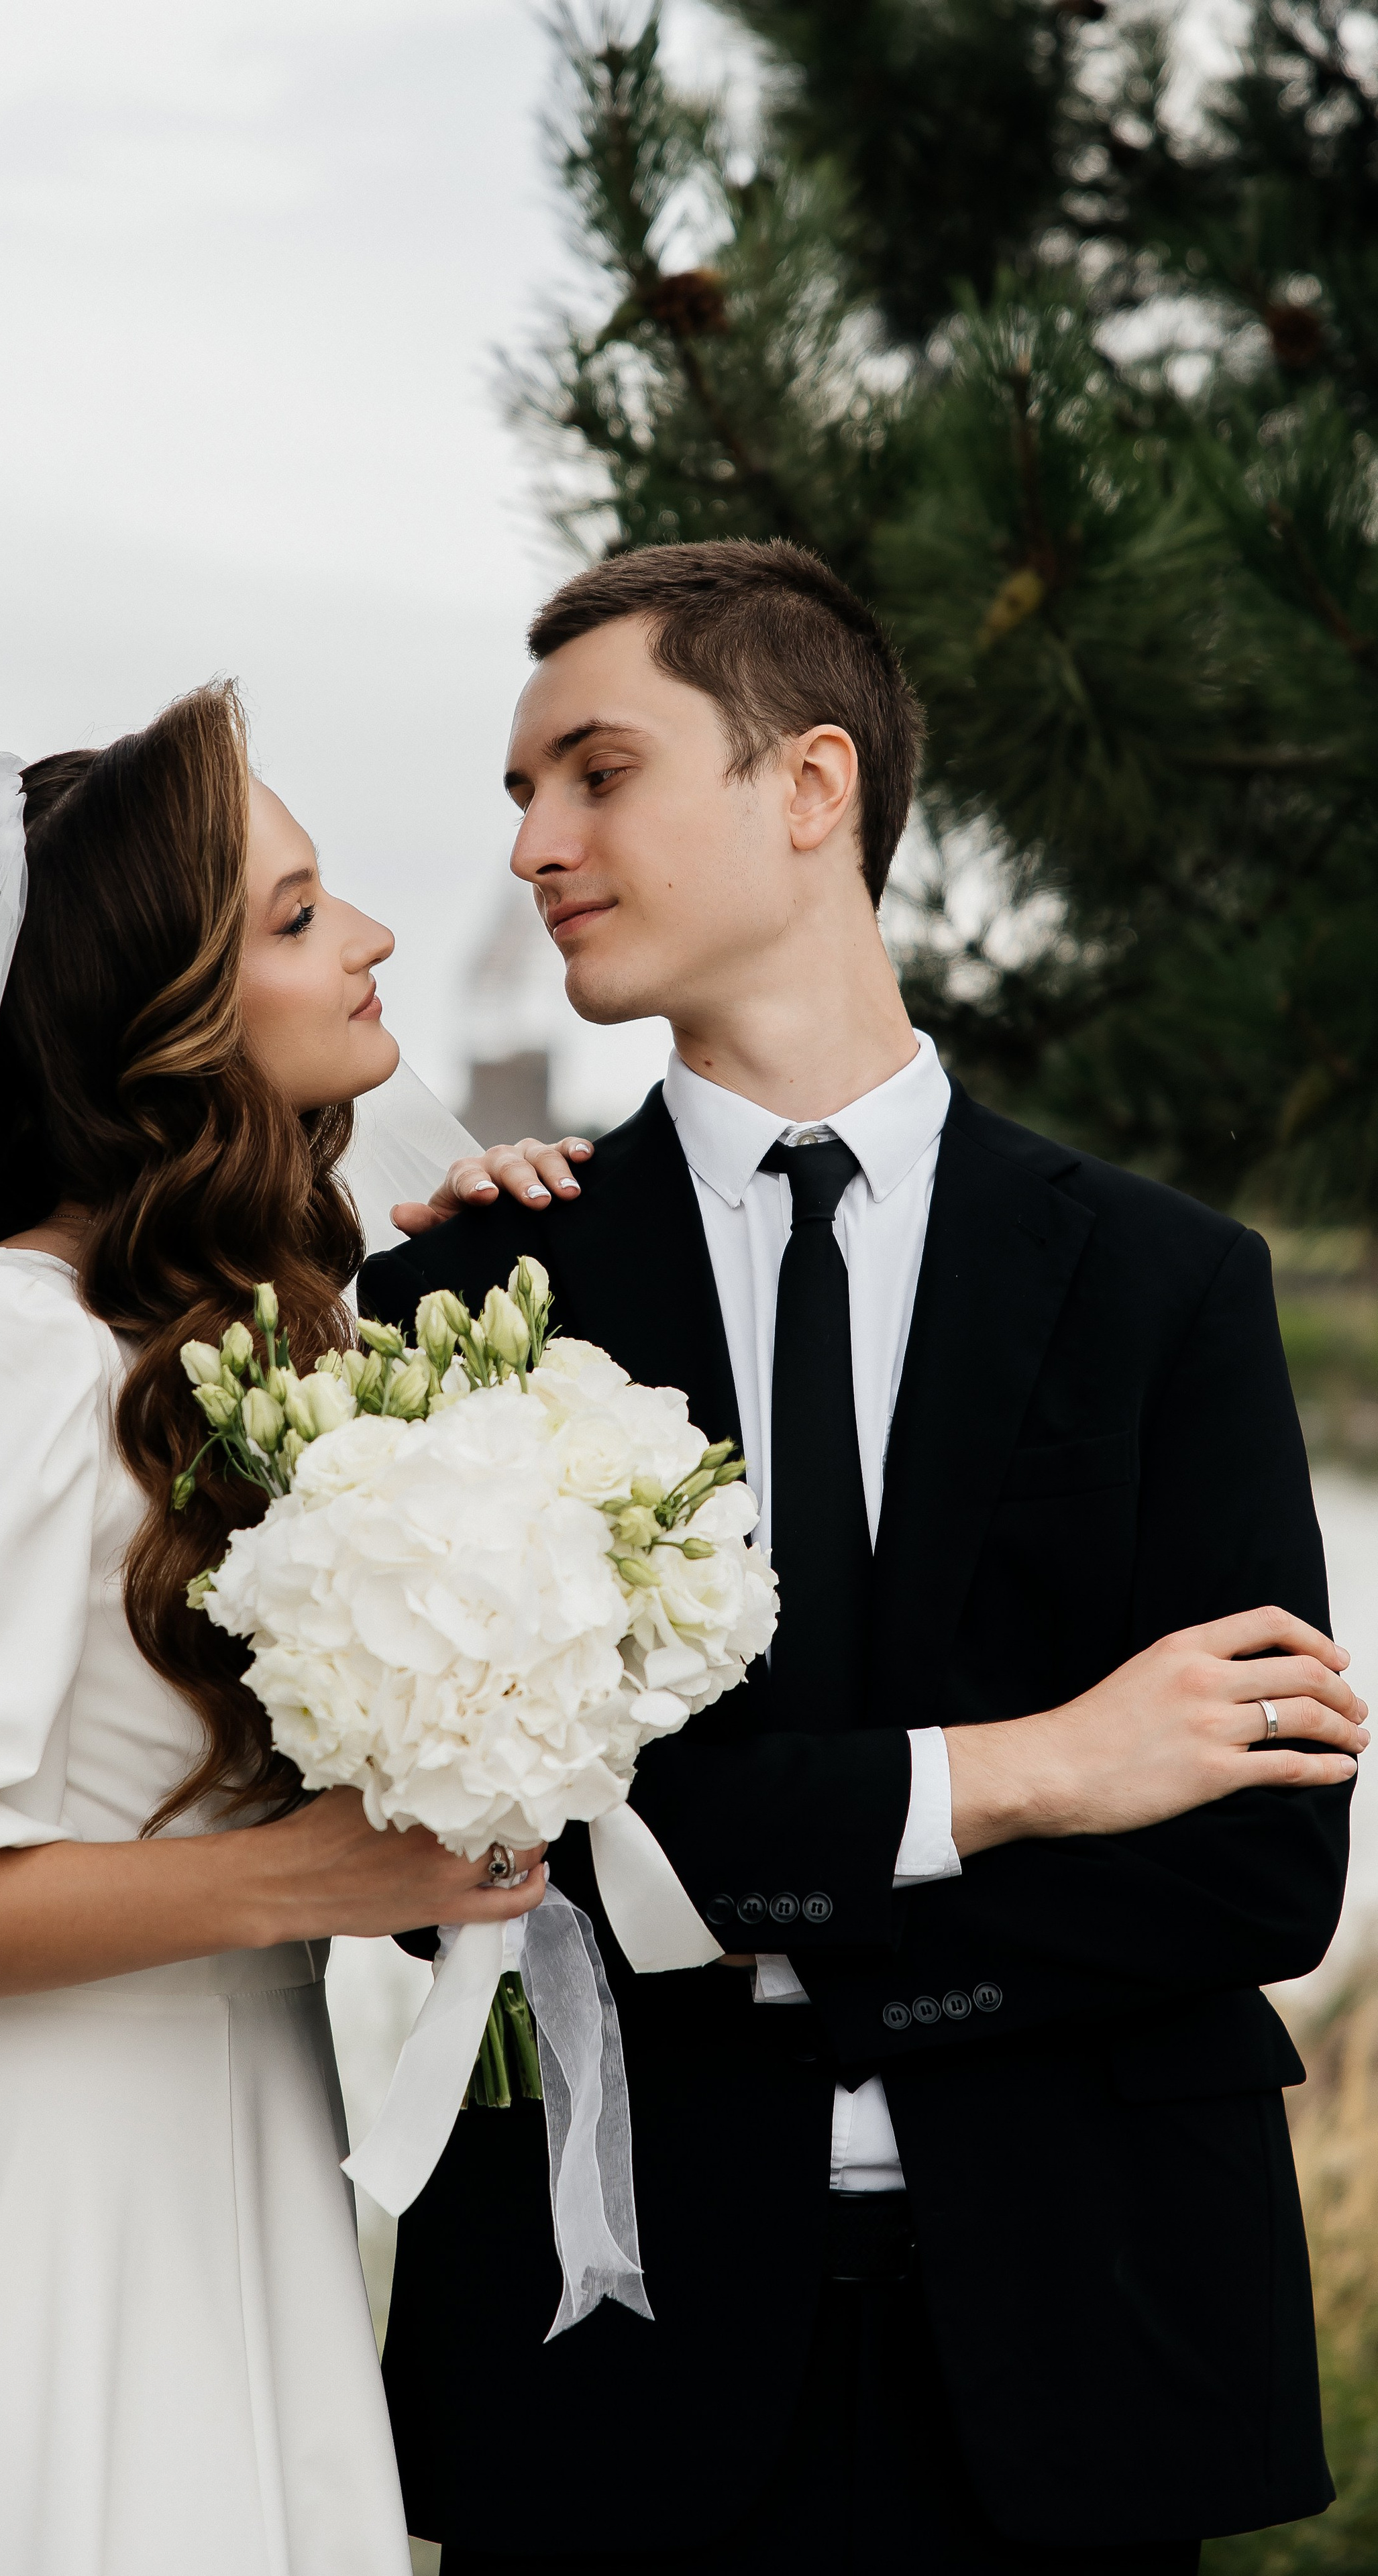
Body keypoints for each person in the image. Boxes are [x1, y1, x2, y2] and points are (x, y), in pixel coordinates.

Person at [359, 540, 1365, 2576]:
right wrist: (1036, 1777)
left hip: (1083, 2335)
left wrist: (749, 1924)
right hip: (604, 2348)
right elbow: (479, 1847)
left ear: (811, 784)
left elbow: (1259, 1867)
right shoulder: (469, 1304)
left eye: (598, 774)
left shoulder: (1170, 1284)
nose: (538, 846)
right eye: (522, 796)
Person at [0, 685, 580, 2576]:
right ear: (161, 1018)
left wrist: (461, 1322)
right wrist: (297, 1879)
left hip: (256, 2158)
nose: (376, 937)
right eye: (300, 916)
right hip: (61, 2215)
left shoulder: (233, 1351)